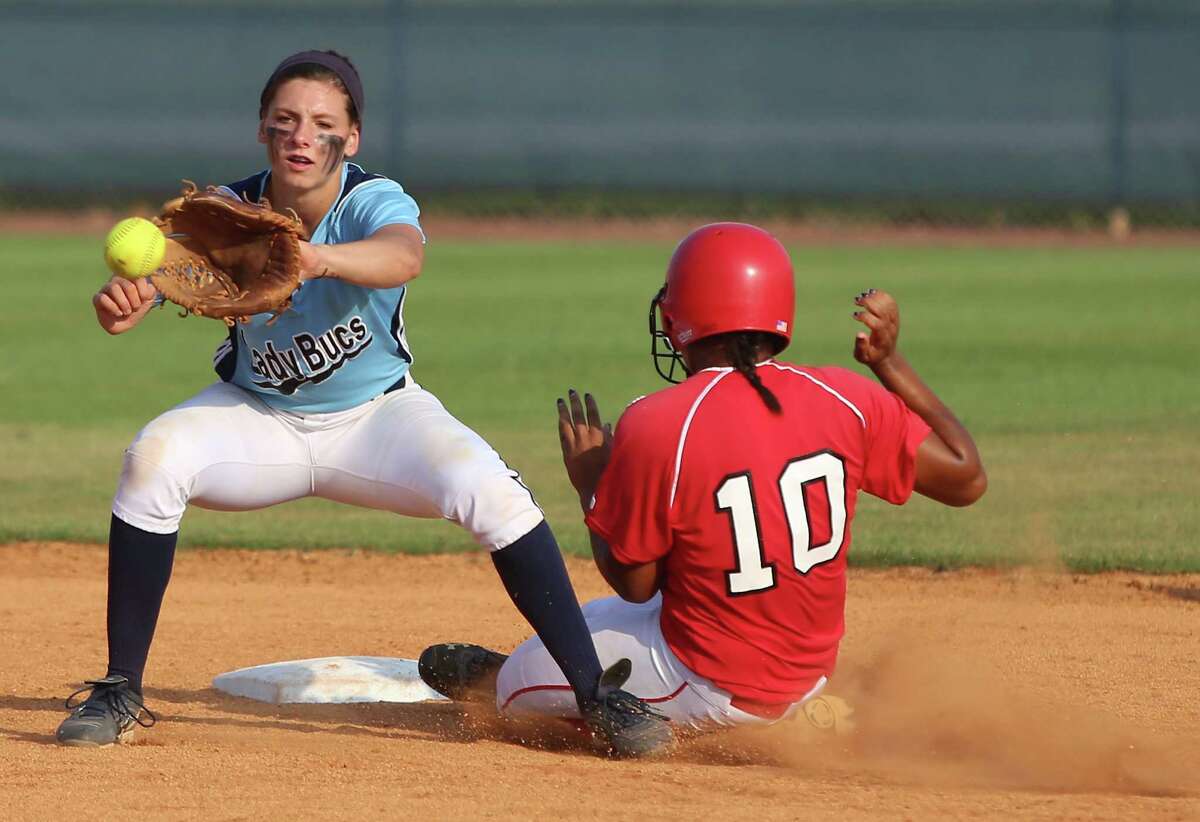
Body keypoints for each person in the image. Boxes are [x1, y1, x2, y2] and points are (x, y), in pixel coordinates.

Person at [58, 49, 670, 758]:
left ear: (350, 139)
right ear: (263, 130)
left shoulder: (373, 200)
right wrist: (128, 300)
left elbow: (403, 256)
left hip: (380, 420)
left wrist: (315, 258)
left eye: (323, 123)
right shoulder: (229, 216)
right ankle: (121, 691)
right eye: (285, 120)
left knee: (489, 491)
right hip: (261, 421)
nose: (301, 134)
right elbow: (167, 273)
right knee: (153, 458)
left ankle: (597, 697)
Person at [417, 222, 986, 736]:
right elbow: (966, 478)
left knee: (522, 684)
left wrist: (592, 483)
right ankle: (800, 711)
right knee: (590, 620)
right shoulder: (849, 396)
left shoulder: (661, 421)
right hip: (810, 674)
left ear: (677, 318)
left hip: (710, 684)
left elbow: (635, 583)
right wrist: (889, 365)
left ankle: (517, 684)